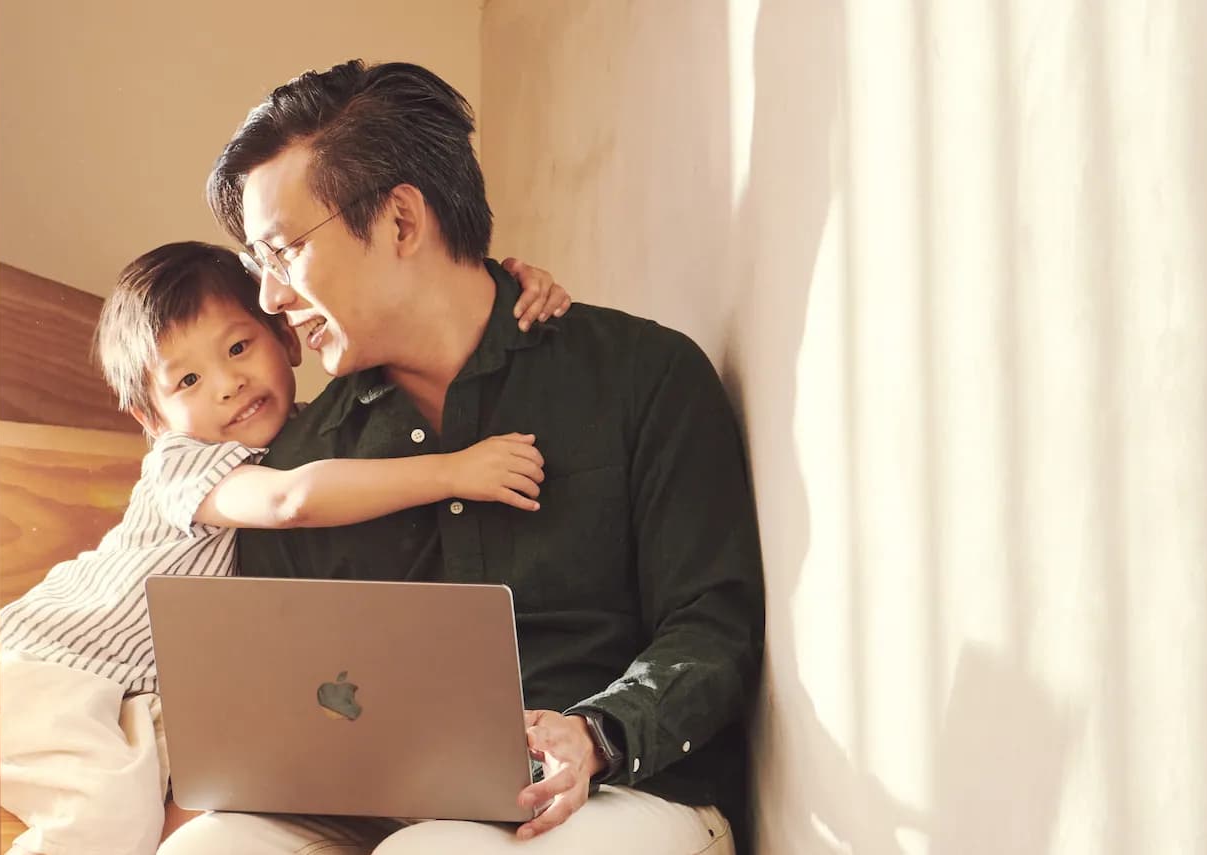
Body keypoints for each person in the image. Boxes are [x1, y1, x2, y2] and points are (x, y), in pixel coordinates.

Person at [160, 60, 764, 855]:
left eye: (283, 252)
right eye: (257, 266)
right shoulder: (303, 464)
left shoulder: (642, 377)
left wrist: (596, 734)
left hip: (621, 787)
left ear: (402, 222)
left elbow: (713, 626)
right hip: (376, 803)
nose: (269, 298)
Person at [0, 241, 571, 855]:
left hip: (141, 698)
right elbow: (289, 502)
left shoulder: (308, 435)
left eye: (239, 348)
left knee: (199, 795)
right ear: (150, 417)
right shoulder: (181, 462)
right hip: (52, 667)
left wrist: (510, 285)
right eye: (188, 379)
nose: (229, 384)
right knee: (104, 816)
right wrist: (454, 472)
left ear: (288, 340)